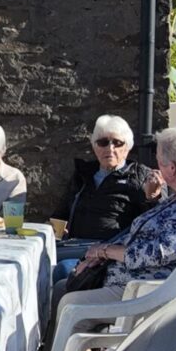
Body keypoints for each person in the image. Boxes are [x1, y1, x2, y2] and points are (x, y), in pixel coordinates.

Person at [60, 128, 176, 312]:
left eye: (159, 163)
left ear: (172, 168)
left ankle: (62, 342)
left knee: (64, 299)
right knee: (63, 283)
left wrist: (103, 251)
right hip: (149, 284)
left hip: (147, 294)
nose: (158, 169)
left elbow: (151, 254)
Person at [50, 114, 156, 280]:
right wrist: (53, 233)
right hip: (74, 244)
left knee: (64, 269)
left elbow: (155, 222)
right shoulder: (84, 174)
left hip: (109, 252)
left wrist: (152, 198)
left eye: (117, 143)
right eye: (103, 142)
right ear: (94, 147)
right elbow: (60, 213)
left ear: (127, 147)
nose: (110, 148)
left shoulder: (141, 177)